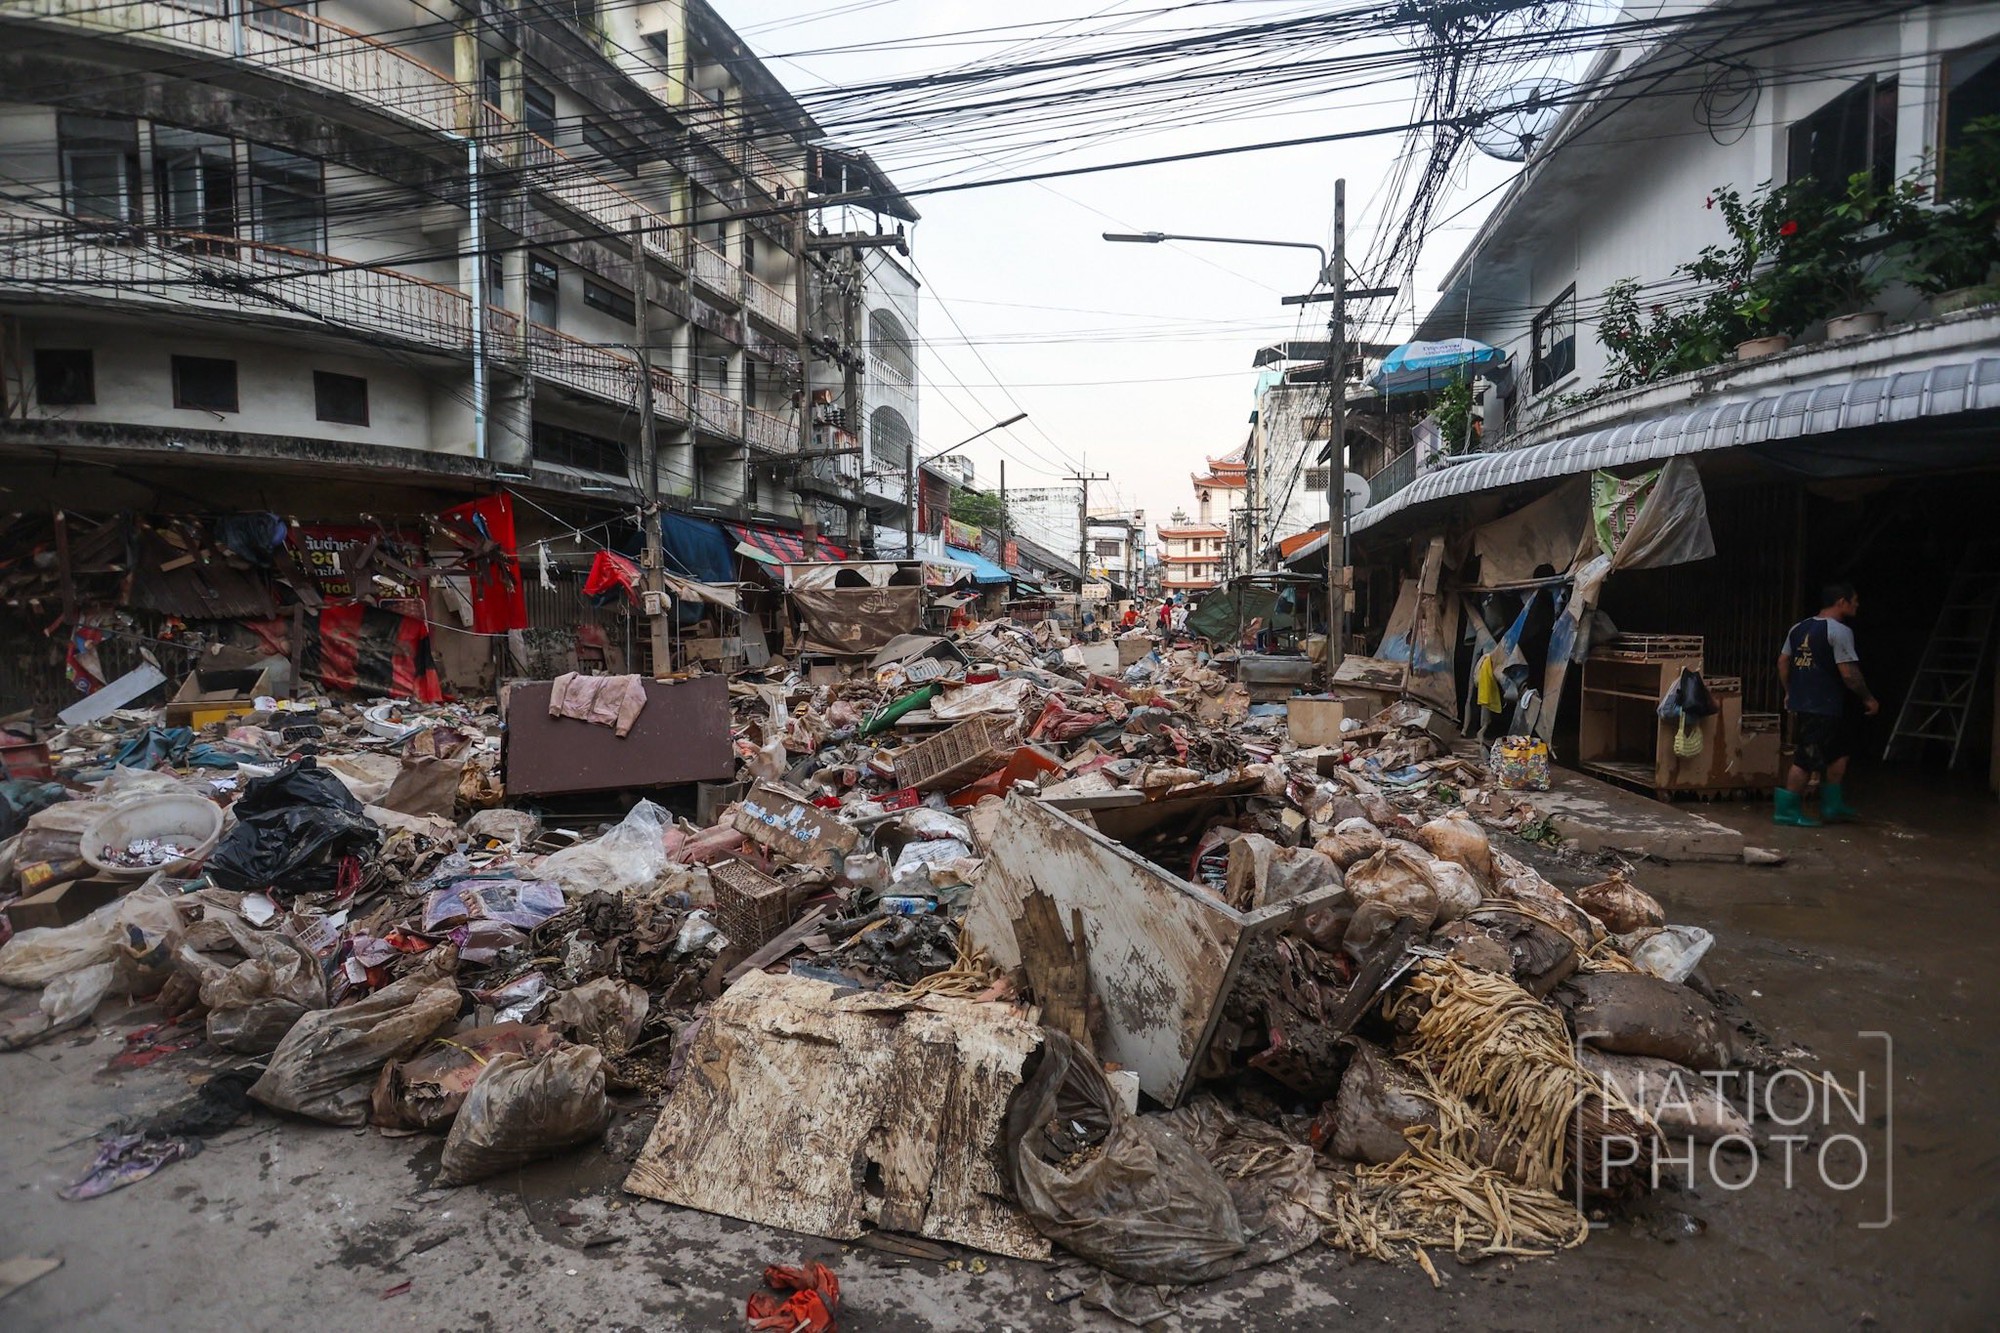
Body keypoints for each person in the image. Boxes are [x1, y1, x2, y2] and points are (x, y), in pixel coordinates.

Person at [1775, 581, 1878, 826]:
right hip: (1822, 706)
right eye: (1854, 601)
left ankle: (1833, 805)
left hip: (1813, 703)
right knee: (1806, 758)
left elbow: (1783, 662)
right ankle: (1786, 811)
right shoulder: (1840, 631)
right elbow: (1849, 674)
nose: (1857, 605)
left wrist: (1790, 692)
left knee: (1839, 752)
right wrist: (1868, 698)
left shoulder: (1798, 628)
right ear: (1842, 602)